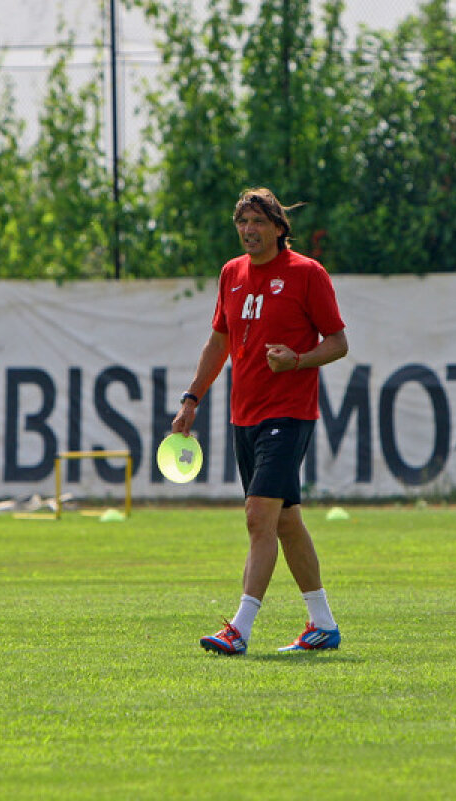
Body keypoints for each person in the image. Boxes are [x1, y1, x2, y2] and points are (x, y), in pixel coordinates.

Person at [172, 187, 349, 656]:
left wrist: (298, 360)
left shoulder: (307, 274)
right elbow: (219, 343)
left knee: (258, 518)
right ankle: (323, 624)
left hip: (289, 414)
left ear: (277, 227)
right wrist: (192, 398)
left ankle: (240, 628)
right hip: (243, 415)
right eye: (242, 223)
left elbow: (338, 343)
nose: (248, 230)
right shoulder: (231, 273)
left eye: (257, 222)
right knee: (286, 522)